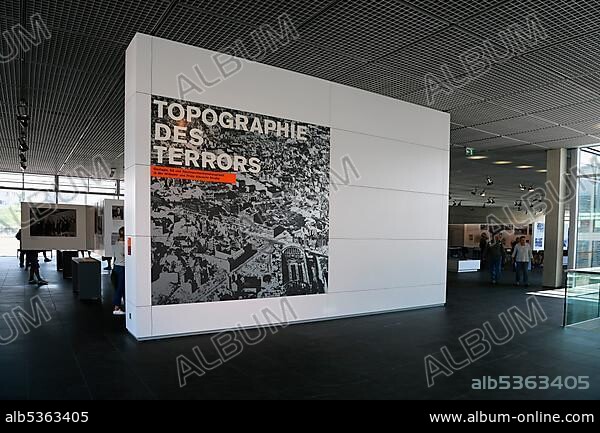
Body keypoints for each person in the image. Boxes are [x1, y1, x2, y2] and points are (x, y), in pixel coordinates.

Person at [112, 227, 126, 316]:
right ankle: (116, 307)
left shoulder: (116, 243)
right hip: (122, 268)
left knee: (122, 287)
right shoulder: (124, 245)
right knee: (120, 288)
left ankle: (125, 304)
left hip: (116, 267)